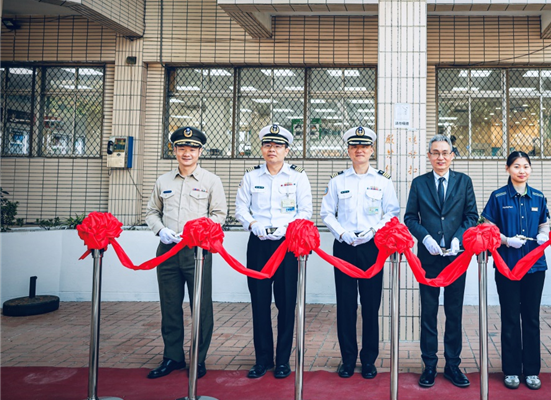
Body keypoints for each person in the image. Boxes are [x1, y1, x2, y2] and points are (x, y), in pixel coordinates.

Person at [145, 127, 227, 380]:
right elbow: (151, 212)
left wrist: (199, 232)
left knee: (200, 306)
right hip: (168, 250)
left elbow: (219, 215)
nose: (187, 153)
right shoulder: (163, 181)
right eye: (182, 148)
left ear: (200, 151)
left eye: (192, 149)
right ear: (175, 150)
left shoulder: (211, 181)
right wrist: (161, 232)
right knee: (170, 305)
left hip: (197, 251)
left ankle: (198, 359)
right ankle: (173, 356)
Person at [320, 126, 400, 379]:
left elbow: (392, 212)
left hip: (372, 248)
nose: (360, 150)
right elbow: (326, 214)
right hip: (343, 247)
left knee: (370, 306)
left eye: (364, 146)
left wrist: (374, 231)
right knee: (345, 306)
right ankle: (347, 359)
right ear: (348, 150)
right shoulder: (337, 181)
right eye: (355, 146)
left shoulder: (383, 181)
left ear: (372, 150)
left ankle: (368, 360)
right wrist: (342, 233)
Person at [235, 124, 312, 379]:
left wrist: (285, 229)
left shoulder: (298, 177)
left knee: (286, 303)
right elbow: (241, 210)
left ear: (287, 150)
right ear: (261, 148)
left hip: (287, 245)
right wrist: (253, 224)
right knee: (259, 303)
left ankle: (282, 361)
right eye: (268, 145)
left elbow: (305, 211)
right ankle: (262, 359)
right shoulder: (251, 177)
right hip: (258, 244)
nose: (272, 149)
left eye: (278, 146)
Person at [404, 134, 478, 389]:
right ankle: (429, 365)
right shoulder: (419, 183)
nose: (441, 157)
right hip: (429, 258)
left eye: (445, 152)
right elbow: (410, 217)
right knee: (428, 312)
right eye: (435, 152)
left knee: (454, 312)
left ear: (453, 156)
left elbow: (471, 216)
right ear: (429, 156)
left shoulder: (463, 182)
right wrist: (424, 239)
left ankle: (453, 365)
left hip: (456, 258)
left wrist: (458, 239)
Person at [481, 151, 550, 390]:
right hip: (507, 265)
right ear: (508, 168)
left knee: (531, 317)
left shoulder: (539, 197)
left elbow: (544, 224)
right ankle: (511, 370)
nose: (522, 171)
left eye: (526, 167)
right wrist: (506, 240)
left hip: (534, 266)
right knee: (510, 317)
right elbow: (488, 229)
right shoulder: (498, 196)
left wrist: (543, 235)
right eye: (517, 166)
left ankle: (531, 370)